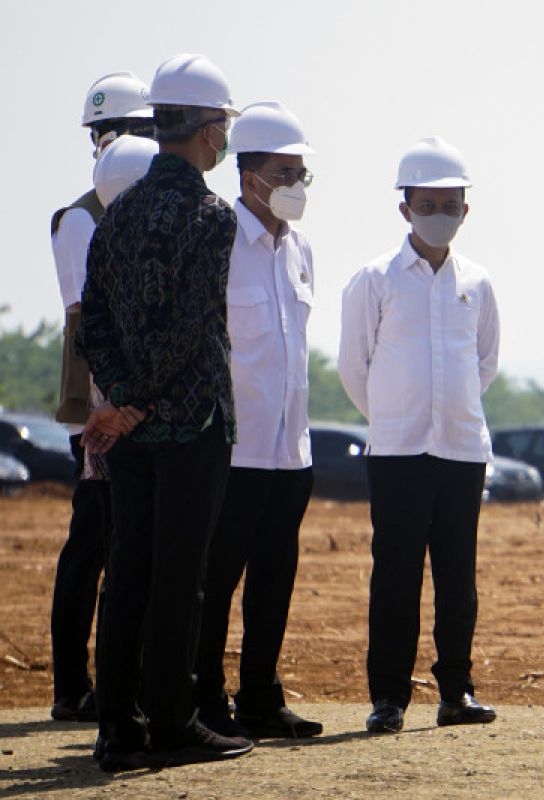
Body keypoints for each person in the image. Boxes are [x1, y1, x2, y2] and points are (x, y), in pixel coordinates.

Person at [78, 53, 253, 772]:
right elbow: (189, 330)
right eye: (223, 129)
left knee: (128, 570)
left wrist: (119, 405)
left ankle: (119, 727)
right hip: (189, 425)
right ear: (209, 131)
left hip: (133, 430)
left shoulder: (115, 216)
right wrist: (143, 402)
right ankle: (174, 723)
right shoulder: (212, 216)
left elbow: (94, 326)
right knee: (181, 576)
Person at [338, 136, 500, 734]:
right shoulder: (374, 279)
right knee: (396, 575)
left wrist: (449, 411)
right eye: (426, 204)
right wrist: (393, 416)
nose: (439, 215)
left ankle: (456, 691)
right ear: (403, 208)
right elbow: (354, 367)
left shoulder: (478, 282)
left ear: (466, 208)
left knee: (459, 576)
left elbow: (484, 363)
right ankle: (388, 698)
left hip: (461, 451)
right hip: (399, 453)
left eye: (449, 204)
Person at [193, 101, 322, 741]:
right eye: (286, 172)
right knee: (215, 584)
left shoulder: (300, 250)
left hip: (290, 452)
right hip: (233, 451)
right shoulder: (217, 240)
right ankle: (205, 701)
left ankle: (261, 699)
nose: (298, 186)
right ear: (250, 178)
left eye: (304, 173)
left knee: (274, 580)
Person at [48, 71, 155, 724]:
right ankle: (72, 686)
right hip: (100, 410)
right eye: (110, 133)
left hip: (130, 408)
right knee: (95, 544)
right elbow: (87, 321)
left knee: (118, 543)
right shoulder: (80, 219)